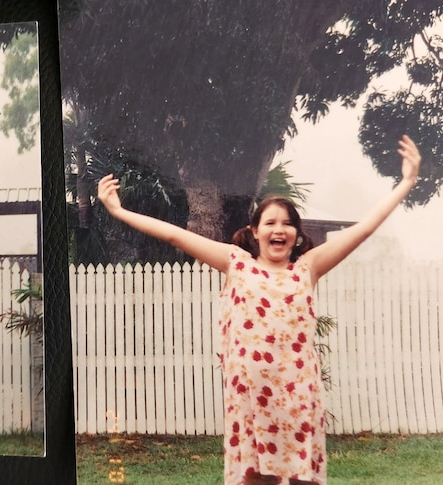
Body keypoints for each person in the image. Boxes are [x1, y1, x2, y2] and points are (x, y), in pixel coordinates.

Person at [97, 135, 421, 485]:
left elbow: (364, 229)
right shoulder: (236, 262)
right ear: (254, 231)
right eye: (270, 223)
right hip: (250, 399)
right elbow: (176, 236)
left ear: (297, 234)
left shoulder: (307, 268)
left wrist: (406, 182)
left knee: (301, 478)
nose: (278, 229)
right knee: (255, 478)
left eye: (287, 224)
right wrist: (118, 210)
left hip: (297, 396)